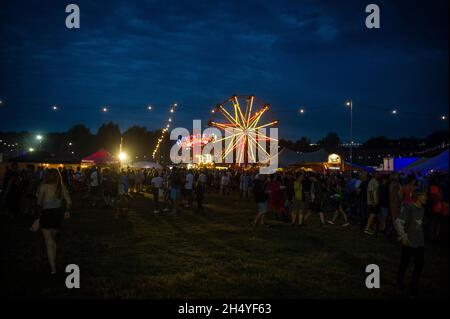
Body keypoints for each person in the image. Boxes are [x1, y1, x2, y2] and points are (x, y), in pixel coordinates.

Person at [35, 168, 72, 275]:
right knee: (53, 240)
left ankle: (53, 268)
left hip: (46, 214)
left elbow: (39, 203)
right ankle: (53, 261)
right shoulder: (61, 187)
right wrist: (67, 211)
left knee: (48, 242)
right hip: (57, 215)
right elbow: (69, 201)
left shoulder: (44, 186)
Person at [394, 191, 427, 297]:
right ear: (418, 197)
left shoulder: (422, 209)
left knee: (419, 264)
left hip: (420, 242)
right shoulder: (409, 208)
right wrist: (403, 237)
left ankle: (414, 285)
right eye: (424, 195)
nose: (426, 197)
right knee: (405, 263)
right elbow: (398, 222)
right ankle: (399, 282)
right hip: (409, 241)